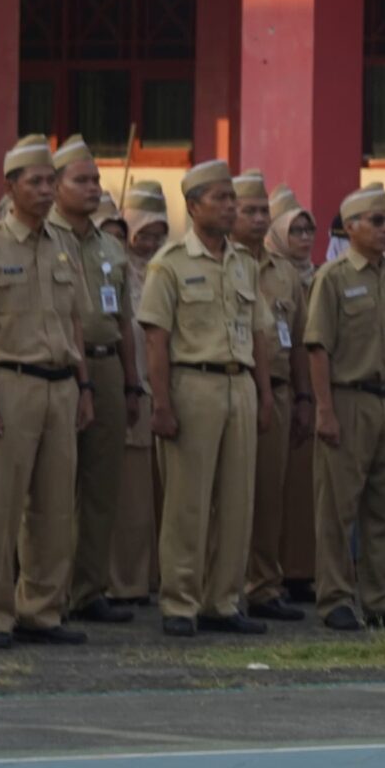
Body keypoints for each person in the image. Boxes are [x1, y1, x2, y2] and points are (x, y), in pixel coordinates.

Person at [0, 136, 96, 650]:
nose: (44, 190)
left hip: (60, 385)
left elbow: (75, 319)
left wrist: (83, 386)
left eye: (49, 181)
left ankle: (42, 609)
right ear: (10, 187)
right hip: (10, 381)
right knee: (0, 506)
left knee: (55, 508)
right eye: (34, 182)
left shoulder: (63, 244)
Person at [140, 161, 277, 638]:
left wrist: (263, 393)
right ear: (194, 205)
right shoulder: (170, 262)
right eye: (219, 198)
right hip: (191, 383)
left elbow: (260, 331)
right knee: (187, 502)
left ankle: (223, 600)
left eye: (231, 199)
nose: (230, 207)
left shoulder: (243, 262)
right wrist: (161, 403)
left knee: (237, 500)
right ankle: (180, 602)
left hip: (238, 383)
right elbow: (156, 338)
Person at [305, 185, 385, 632]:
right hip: (349, 398)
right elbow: (318, 347)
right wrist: (324, 410)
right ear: (350, 226)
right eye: (375, 221)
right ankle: (335, 597)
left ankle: (381, 597)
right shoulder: (333, 278)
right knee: (338, 508)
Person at [51, 136, 143, 627]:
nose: (93, 188)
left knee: (101, 486)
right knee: (52, 489)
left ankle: (89, 589)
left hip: (107, 365)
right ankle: (50, 591)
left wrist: (131, 382)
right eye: (81, 180)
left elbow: (123, 318)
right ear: (56, 185)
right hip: (62, 366)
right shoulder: (43, 238)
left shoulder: (111, 245)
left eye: (95, 180)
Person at [233, 171, 311, 623]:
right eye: (250, 210)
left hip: (278, 393)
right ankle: (217, 588)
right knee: (225, 495)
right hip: (230, 383)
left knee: (269, 496)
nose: (260, 219)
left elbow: (298, 341)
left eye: (265, 211)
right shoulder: (220, 265)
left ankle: (263, 585)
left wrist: (302, 399)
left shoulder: (285, 274)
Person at [109, 179, 170, 606]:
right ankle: (124, 582)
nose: (149, 241)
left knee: (163, 495)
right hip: (130, 388)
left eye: (157, 233)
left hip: (164, 390)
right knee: (129, 499)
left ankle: (157, 575)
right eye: (142, 231)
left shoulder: (167, 269)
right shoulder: (113, 269)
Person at [269, 188, 321, 599]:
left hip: (308, 391)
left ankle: (301, 570)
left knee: (306, 487)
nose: (304, 238)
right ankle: (269, 573)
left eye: (309, 229)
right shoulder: (265, 274)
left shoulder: (319, 276)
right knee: (273, 487)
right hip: (274, 387)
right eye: (295, 230)